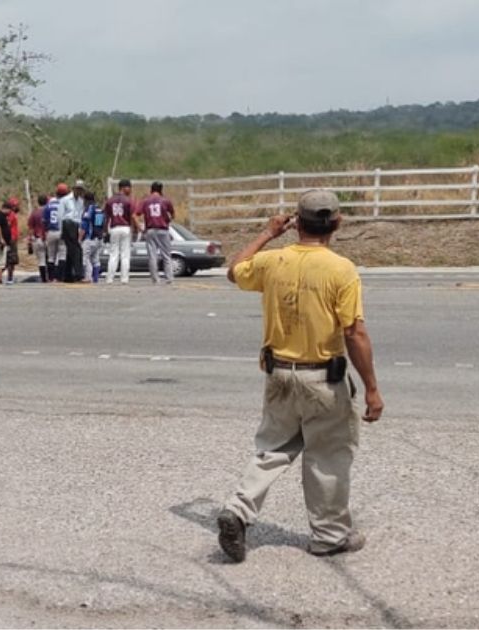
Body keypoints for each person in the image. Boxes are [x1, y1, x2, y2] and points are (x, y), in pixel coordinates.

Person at [216, 189, 384, 563]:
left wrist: (266, 234)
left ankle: (239, 510)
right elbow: (354, 333)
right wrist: (372, 388)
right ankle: (328, 535)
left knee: (273, 449)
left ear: (296, 224)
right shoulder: (340, 269)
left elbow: (233, 271)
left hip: (279, 376)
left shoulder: (274, 261)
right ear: (337, 223)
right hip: (323, 379)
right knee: (327, 456)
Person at [134, 181, 176, 284]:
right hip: (162, 229)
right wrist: (168, 220)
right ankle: (169, 277)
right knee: (166, 255)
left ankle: (155, 278)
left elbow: (135, 214)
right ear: (161, 190)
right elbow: (173, 214)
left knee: (152, 255)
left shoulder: (145, 201)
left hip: (150, 229)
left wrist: (140, 227)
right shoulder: (165, 200)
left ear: (151, 189)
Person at [104, 179, 135, 284]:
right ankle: (124, 278)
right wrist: (134, 229)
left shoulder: (110, 200)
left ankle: (109, 278)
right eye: (129, 187)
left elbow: (107, 217)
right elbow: (131, 216)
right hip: (125, 227)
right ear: (123, 187)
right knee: (125, 254)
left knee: (113, 254)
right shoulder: (128, 200)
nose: (130, 190)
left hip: (114, 227)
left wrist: (105, 230)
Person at [57, 180, 87, 282]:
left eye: (81, 190)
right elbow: (60, 216)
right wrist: (60, 230)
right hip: (67, 223)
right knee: (77, 249)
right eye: (77, 189)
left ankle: (68, 275)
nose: (79, 191)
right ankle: (79, 274)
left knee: (70, 250)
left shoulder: (81, 202)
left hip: (75, 225)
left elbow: (79, 216)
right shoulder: (65, 200)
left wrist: (80, 230)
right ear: (73, 189)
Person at [80, 191, 107, 283]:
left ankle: (87, 277)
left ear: (86, 200)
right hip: (99, 238)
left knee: (85, 257)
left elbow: (85, 225)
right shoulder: (99, 209)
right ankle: (96, 278)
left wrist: (79, 238)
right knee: (95, 259)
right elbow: (102, 224)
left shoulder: (88, 209)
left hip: (90, 238)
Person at [43, 188, 64, 282]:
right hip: (61, 230)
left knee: (51, 256)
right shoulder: (64, 204)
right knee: (62, 255)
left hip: (51, 231)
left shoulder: (48, 205)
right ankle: (60, 276)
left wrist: (45, 231)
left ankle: (51, 277)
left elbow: (44, 221)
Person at [27, 194, 49, 282]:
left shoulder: (34, 213)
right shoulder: (49, 211)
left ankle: (43, 278)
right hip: (48, 237)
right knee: (51, 258)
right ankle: (51, 276)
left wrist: (30, 240)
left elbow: (30, 228)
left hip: (38, 238)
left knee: (41, 259)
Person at [4, 197, 21, 284]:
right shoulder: (11, 214)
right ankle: (9, 278)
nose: (18, 207)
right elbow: (8, 224)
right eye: (16, 206)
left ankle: (9, 276)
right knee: (11, 259)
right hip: (11, 239)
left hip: (12, 238)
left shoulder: (10, 214)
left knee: (11, 259)